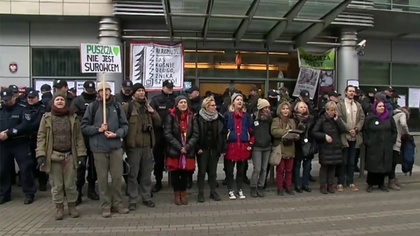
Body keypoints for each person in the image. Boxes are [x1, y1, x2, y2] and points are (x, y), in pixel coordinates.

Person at [35, 92, 87, 220]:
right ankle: (59, 207)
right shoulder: (46, 117)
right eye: (57, 99)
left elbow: (79, 137)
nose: (59, 102)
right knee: (57, 185)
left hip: (70, 155)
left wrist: (81, 154)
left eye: (61, 100)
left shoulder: (73, 117)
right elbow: (41, 137)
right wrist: (40, 154)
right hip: (53, 156)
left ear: (65, 102)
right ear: (53, 102)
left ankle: (72, 206)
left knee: (70, 184)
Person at [81, 82, 129, 217]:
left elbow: (125, 126)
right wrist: (98, 129)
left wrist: (117, 133)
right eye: (102, 90)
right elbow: (84, 126)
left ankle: (118, 203)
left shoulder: (117, 106)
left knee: (117, 178)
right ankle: (105, 206)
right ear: (98, 93)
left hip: (115, 148)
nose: (105, 92)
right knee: (102, 180)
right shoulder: (93, 107)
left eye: (107, 90)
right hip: (99, 148)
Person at [124, 83, 161, 210]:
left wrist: (153, 112)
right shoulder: (128, 107)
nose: (141, 93)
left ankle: (146, 197)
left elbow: (158, 123)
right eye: (138, 90)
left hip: (147, 146)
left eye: (142, 90)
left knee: (146, 173)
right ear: (134, 93)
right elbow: (123, 126)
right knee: (133, 174)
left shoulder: (148, 107)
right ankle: (133, 199)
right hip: (134, 147)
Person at [0, 88, 36, 205]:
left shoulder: (22, 109)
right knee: (3, 169)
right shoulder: (1, 110)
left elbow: (26, 125)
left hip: (20, 143)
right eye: (5, 100)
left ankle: (29, 193)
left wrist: (9, 132)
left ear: (14, 97)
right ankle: (4, 194)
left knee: (25, 168)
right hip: (4, 145)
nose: (7, 102)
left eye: (9, 99)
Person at [164, 95, 199, 205]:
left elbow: (195, 134)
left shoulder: (192, 116)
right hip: (175, 150)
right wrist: (180, 147)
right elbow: (168, 133)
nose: (183, 104)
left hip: (187, 150)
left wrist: (187, 147)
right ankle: (176, 194)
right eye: (181, 102)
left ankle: (183, 194)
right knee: (175, 174)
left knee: (185, 174)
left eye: (185, 102)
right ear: (177, 104)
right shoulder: (171, 116)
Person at [70, 81, 99, 204]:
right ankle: (78, 191)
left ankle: (91, 189)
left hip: (95, 136)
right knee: (81, 164)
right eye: (89, 89)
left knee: (93, 166)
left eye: (93, 89)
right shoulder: (77, 101)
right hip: (81, 137)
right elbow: (73, 117)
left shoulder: (98, 101)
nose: (91, 91)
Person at [195, 96, 225, 203]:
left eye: (215, 105)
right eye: (212, 105)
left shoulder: (219, 117)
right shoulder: (198, 117)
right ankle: (201, 193)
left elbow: (222, 134)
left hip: (214, 149)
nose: (215, 107)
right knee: (202, 172)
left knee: (213, 172)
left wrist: (221, 148)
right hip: (202, 149)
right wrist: (197, 147)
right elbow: (195, 134)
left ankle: (213, 192)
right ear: (206, 106)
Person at [312, 101, 348, 194]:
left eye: (334, 110)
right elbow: (314, 132)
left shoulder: (336, 120)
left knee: (333, 167)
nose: (333, 112)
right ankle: (323, 186)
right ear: (327, 110)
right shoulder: (322, 120)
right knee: (324, 167)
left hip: (335, 147)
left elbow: (343, 130)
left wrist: (338, 120)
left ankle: (330, 185)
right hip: (325, 147)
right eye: (331, 110)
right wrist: (324, 136)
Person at [363, 100, 397, 193]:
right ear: (375, 108)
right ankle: (370, 184)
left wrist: (391, 141)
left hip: (386, 146)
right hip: (374, 146)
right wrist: (367, 142)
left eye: (383, 106)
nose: (382, 108)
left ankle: (381, 184)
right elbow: (365, 131)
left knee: (383, 166)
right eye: (379, 106)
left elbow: (394, 130)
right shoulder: (370, 118)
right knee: (373, 165)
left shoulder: (389, 118)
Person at [224, 93, 254, 200]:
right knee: (229, 170)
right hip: (231, 146)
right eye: (237, 99)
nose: (240, 101)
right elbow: (223, 131)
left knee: (241, 170)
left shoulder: (247, 116)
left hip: (243, 146)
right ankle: (230, 189)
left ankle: (240, 189)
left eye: (241, 100)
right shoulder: (228, 115)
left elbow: (251, 131)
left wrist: (250, 143)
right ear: (233, 102)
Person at [336, 85, 365, 192]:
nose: (352, 93)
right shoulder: (340, 105)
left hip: (355, 137)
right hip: (344, 136)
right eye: (350, 91)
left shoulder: (358, 105)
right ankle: (340, 182)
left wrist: (356, 129)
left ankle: (351, 182)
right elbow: (338, 118)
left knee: (352, 162)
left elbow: (362, 118)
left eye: (353, 91)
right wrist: (349, 129)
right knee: (343, 161)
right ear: (345, 92)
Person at [149, 80, 176, 193]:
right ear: (163, 87)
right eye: (168, 87)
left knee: (174, 157)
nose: (170, 89)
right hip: (159, 133)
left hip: (174, 133)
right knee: (159, 159)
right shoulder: (156, 100)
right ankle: (158, 181)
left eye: (171, 87)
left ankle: (175, 181)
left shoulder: (176, 99)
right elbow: (150, 116)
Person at [271, 101, 298, 196]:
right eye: (283, 109)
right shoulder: (276, 120)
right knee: (280, 170)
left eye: (287, 108)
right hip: (280, 148)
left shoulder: (292, 121)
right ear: (280, 110)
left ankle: (288, 186)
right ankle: (280, 187)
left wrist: (296, 135)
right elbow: (274, 132)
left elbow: (295, 132)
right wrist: (287, 132)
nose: (285, 110)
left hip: (290, 147)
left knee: (289, 170)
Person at [25, 90, 48, 191]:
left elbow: (38, 123)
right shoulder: (24, 108)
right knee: (29, 163)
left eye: (32, 98)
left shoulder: (41, 109)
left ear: (37, 98)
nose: (30, 99)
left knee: (40, 161)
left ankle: (42, 183)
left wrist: (26, 126)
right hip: (26, 139)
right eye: (29, 98)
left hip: (37, 137)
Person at [250, 99, 272, 198]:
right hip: (257, 147)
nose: (267, 109)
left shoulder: (270, 119)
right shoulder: (254, 118)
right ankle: (253, 187)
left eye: (268, 107)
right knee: (257, 169)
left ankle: (260, 186)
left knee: (264, 169)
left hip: (267, 146)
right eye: (265, 107)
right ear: (260, 108)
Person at [292, 101, 316, 193]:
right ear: (297, 109)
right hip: (298, 144)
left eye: (305, 107)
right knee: (297, 165)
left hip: (308, 144)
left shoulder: (311, 118)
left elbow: (313, 131)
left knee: (307, 165)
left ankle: (305, 184)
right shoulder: (294, 118)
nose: (303, 109)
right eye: (301, 107)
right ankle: (297, 184)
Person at [389, 107, 410, 190]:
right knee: (393, 163)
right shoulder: (402, 114)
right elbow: (403, 124)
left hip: (392, 140)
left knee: (393, 162)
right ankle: (391, 181)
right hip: (396, 141)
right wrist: (407, 134)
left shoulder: (395, 114)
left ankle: (393, 179)